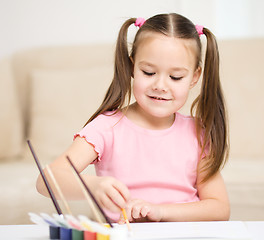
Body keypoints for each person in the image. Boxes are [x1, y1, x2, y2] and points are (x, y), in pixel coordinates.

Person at [36, 13, 230, 223]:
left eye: (175, 77)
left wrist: (161, 211)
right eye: (148, 72)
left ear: (194, 77)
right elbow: (45, 180)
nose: (161, 85)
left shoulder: (197, 132)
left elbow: (219, 208)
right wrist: (93, 186)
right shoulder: (107, 128)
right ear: (131, 67)